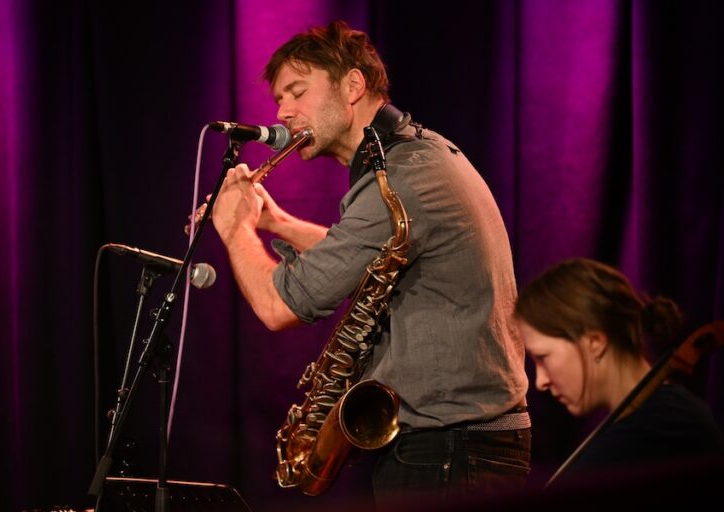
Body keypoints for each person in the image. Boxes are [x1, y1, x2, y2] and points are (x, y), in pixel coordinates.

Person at [208, 20, 531, 505]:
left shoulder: (400, 178)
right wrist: (277, 223)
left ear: (353, 85)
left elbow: (278, 306)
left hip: (450, 448)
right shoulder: (414, 156)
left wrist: (234, 228)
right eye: (279, 99)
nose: (282, 113)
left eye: (297, 92)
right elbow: (370, 253)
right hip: (458, 445)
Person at [515, 257, 724, 488]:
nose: (540, 381)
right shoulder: (653, 422)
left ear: (594, 342)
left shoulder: (662, 429)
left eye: (543, 357)